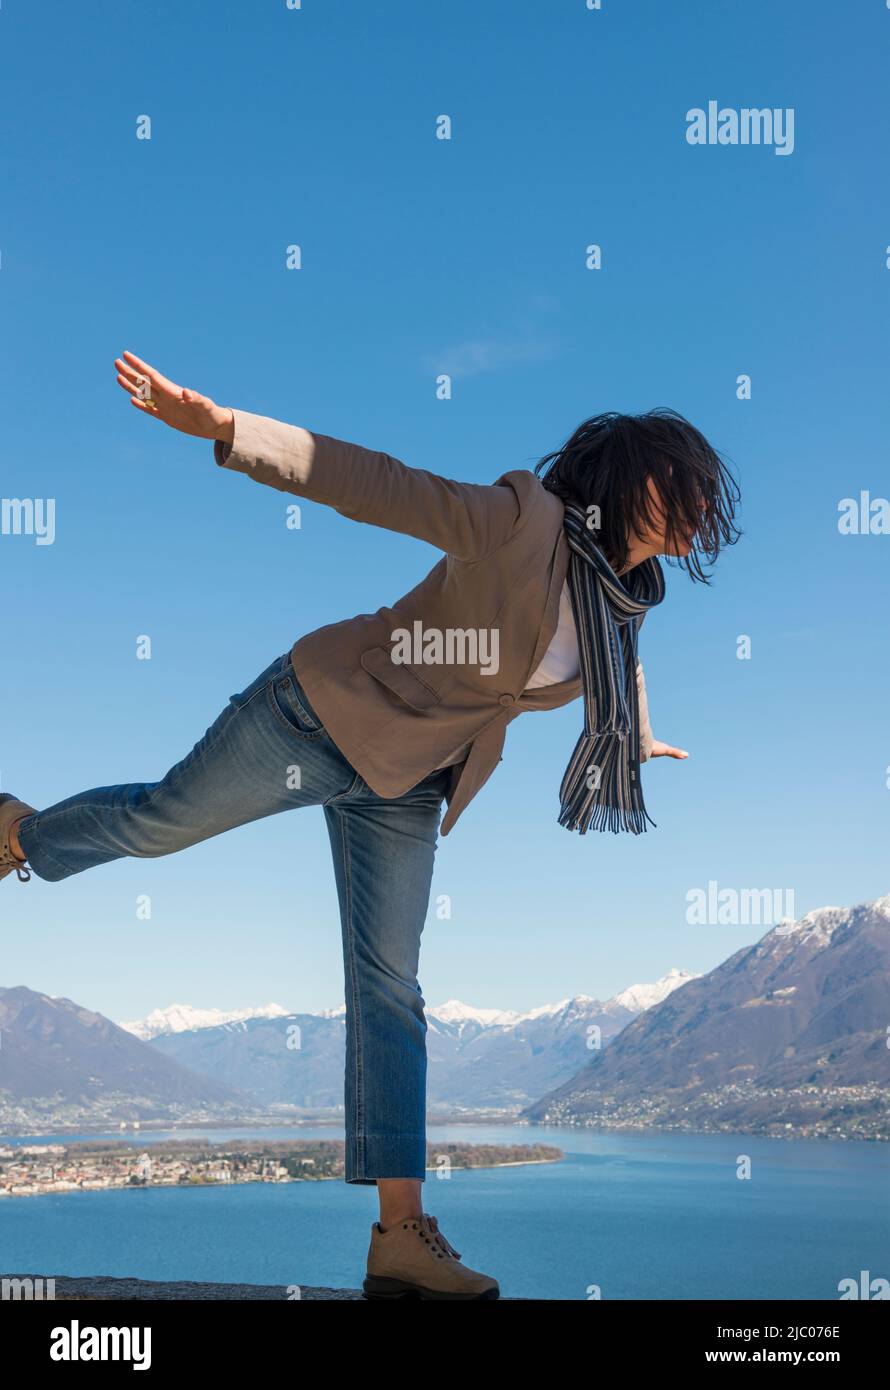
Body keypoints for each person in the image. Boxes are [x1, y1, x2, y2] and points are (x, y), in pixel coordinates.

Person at [0, 351, 740, 1299]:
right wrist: (227, 428)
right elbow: (379, 483)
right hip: (317, 714)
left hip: (408, 781)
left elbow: (610, 670)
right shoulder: (525, 522)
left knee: (391, 994)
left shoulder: (623, 607)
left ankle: (401, 1237)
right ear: (625, 480)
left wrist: (635, 736)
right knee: (160, 823)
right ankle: (19, 833)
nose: (689, 508)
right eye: (673, 484)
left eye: (698, 495)